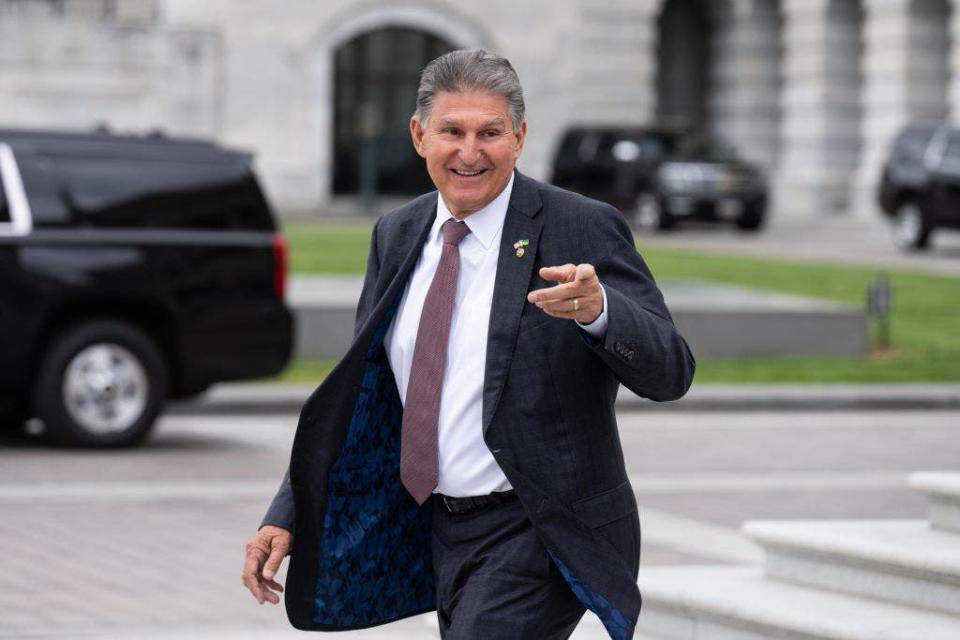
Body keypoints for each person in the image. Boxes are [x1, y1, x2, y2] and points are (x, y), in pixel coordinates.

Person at [242, 49, 695, 640]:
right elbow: (362, 394)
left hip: (539, 529)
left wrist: (602, 311)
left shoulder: (578, 226)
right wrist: (290, 512)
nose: (470, 152)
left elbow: (671, 370)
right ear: (418, 135)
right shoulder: (397, 234)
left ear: (521, 137)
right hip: (437, 529)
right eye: (451, 131)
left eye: (491, 133)